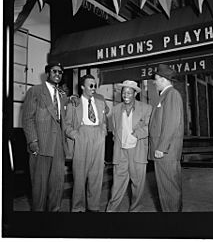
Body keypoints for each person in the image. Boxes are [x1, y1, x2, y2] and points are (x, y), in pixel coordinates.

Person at [22, 61, 72, 211]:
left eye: (60, 72)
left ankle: (53, 218)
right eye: (54, 71)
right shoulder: (35, 91)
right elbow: (27, 118)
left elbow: (63, 116)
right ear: (48, 73)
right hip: (41, 144)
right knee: (40, 186)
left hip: (58, 145)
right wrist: (33, 141)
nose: (57, 74)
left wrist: (72, 98)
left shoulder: (63, 95)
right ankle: (39, 221)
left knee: (57, 185)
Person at [106, 80, 152, 212]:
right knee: (117, 186)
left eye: (129, 92)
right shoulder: (115, 110)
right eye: (124, 92)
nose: (126, 95)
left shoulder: (146, 108)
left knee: (138, 186)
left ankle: (135, 211)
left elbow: (150, 127)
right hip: (120, 153)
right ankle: (110, 211)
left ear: (135, 94)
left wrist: (137, 134)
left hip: (137, 153)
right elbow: (114, 132)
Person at [65, 74, 107, 212]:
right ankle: (78, 208)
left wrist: (103, 132)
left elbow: (104, 120)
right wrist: (76, 136)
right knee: (79, 176)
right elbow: (66, 125)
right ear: (83, 87)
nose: (93, 88)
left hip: (98, 136)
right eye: (90, 85)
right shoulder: (74, 103)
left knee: (97, 175)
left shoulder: (100, 101)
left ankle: (93, 207)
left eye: (95, 85)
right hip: (82, 136)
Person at [149, 64, 184, 212]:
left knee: (169, 190)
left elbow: (171, 123)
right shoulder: (165, 95)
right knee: (166, 190)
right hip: (165, 152)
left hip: (166, 152)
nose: (154, 82)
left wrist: (161, 148)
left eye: (156, 79)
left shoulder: (171, 95)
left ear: (163, 79)